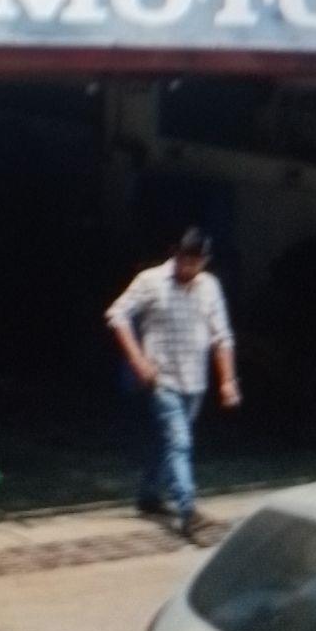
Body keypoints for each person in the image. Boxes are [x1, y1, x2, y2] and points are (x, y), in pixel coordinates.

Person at [106, 228, 241, 543]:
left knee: (167, 442)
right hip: (162, 379)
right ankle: (188, 510)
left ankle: (149, 495)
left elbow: (222, 336)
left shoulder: (209, 287)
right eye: (184, 259)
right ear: (175, 253)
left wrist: (228, 380)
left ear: (205, 261)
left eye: (196, 261)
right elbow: (117, 315)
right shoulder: (150, 281)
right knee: (179, 441)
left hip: (195, 381)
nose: (188, 266)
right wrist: (138, 360)